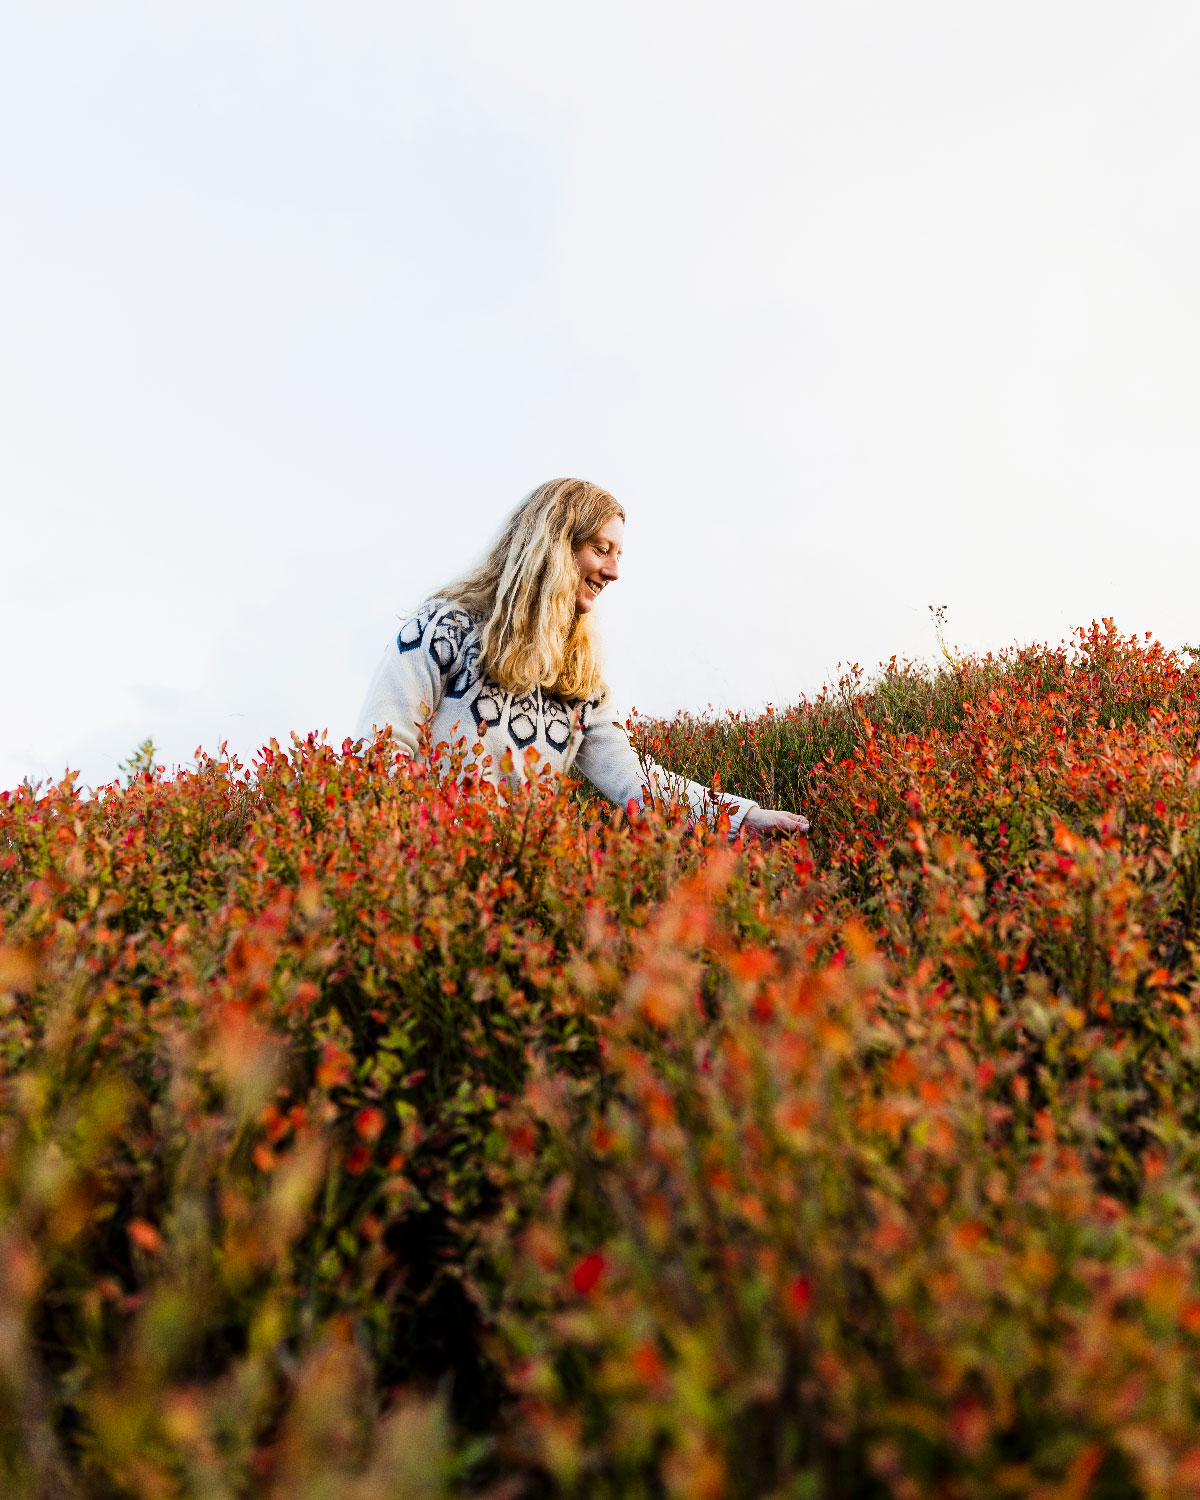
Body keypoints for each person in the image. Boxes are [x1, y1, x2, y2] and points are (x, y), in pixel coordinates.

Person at [356, 478, 809, 839]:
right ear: (552, 546)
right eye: (601, 549)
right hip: (422, 888)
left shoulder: (577, 677)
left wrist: (742, 816)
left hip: (517, 895)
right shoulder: (442, 628)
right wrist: (439, 847)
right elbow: (379, 750)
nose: (614, 571)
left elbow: (635, 781)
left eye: (618, 555)